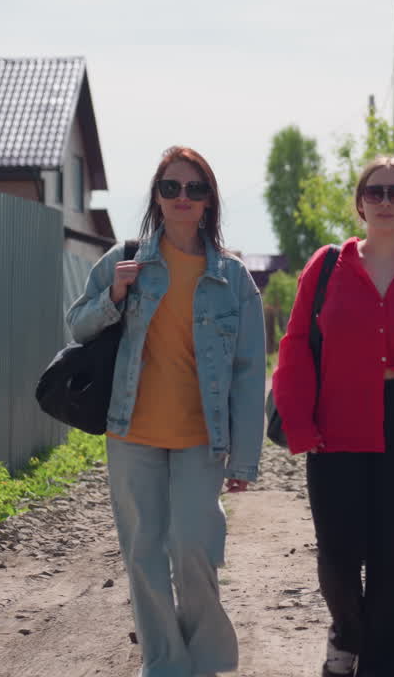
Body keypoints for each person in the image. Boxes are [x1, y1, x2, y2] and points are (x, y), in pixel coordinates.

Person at [67, 146, 265, 677]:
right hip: (132, 433)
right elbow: (79, 325)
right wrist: (113, 293)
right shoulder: (125, 259)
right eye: (171, 187)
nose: (183, 197)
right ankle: (164, 662)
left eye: (194, 189)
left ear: (208, 201)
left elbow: (249, 375)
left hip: (202, 437)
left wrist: (245, 460)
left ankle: (203, 658)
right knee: (143, 552)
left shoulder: (234, 279)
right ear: (157, 196)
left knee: (192, 545)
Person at [272, 155, 394, 677]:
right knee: (337, 555)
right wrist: (299, 422)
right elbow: (294, 346)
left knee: (388, 555)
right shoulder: (328, 265)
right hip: (336, 421)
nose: (385, 201)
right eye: (375, 192)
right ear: (360, 204)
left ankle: (384, 667)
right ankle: (347, 632)